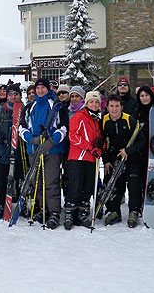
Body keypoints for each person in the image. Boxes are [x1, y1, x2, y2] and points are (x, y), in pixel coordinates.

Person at [19, 78, 67, 229]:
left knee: (51, 182)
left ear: (48, 89)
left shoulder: (57, 106)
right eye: (37, 88)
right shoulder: (29, 107)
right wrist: (31, 139)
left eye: (43, 88)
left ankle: (54, 212)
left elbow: (64, 128)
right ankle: (42, 208)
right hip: (34, 149)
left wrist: (51, 142)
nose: (40, 91)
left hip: (52, 150)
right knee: (38, 183)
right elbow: (21, 127)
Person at [101, 94, 145, 228]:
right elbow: (102, 142)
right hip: (113, 158)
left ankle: (134, 211)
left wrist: (128, 151)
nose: (114, 109)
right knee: (114, 184)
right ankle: (114, 211)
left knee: (133, 184)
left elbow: (141, 140)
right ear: (107, 107)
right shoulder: (104, 121)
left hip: (131, 157)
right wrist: (106, 160)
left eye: (117, 106)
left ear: (121, 107)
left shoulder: (129, 120)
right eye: (112, 106)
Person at [64, 91, 102, 230]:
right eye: (91, 101)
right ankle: (69, 212)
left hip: (91, 159)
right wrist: (90, 148)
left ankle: (82, 212)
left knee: (88, 187)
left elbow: (99, 138)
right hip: (77, 157)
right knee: (75, 185)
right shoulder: (79, 116)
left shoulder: (97, 119)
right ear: (86, 103)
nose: (94, 104)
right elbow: (73, 136)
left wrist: (100, 146)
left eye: (96, 102)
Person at [0, 84, 22, 219]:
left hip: (19, 152)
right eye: (10, 94)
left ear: (20, 95)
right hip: (2, 150)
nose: (13, 97)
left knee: (18, 179)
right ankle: (2, 204)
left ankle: (18, 203)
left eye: (16, 94)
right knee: (1, 180)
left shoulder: (25, 111)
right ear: (6, 96)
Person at [132, 85, 154, 196]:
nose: (144, 98)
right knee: (142, 176)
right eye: (142, 96)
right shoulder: (136, 112)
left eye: (147, 95)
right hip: (141, 149)